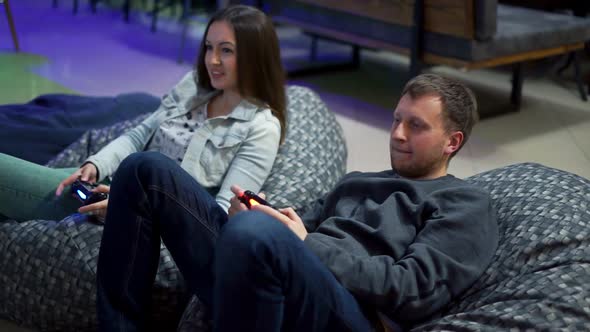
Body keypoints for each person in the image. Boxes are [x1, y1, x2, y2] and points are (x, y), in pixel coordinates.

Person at [96, 73, 498, 331]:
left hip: (349, 315)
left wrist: (303, 243)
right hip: (269, 277)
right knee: (145, 169)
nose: (397, 134)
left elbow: (411, 290)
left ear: (452, 142)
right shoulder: (359, 181)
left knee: (256, 234)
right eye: (396, 119)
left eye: (416, 126)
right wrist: (253, 211)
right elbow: (298, 221)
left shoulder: (465, 204)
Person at [0, 5, 286, 222]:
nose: (212, 60)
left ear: (254, 57)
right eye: (209, 47)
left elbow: (218, 215)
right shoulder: (194, 86)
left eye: (226, 50)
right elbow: (139, 136)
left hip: (140, 213)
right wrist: (97, 164)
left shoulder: (261, 128)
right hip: (112, 186)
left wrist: (132, 204)